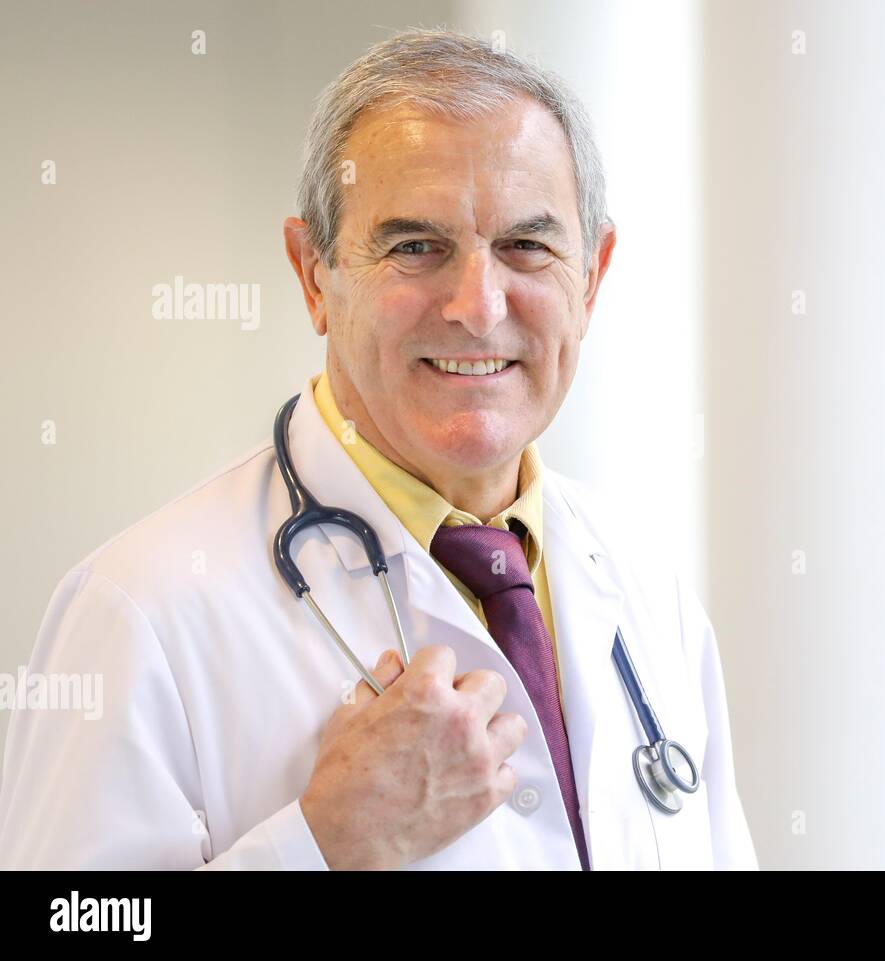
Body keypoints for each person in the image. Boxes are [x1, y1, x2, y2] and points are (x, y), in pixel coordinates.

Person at [0, 27, 757, 870]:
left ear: (593, 277)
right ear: (312, 273)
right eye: (415, 247)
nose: (479, 305)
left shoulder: (646, 586)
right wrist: (323, 845)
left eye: (527, 245)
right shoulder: (142, 610)